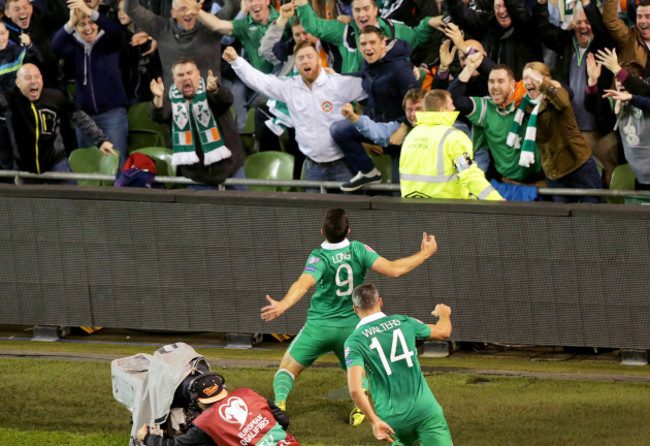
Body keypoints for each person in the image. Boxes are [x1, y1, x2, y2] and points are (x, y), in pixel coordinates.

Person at [260, 208, 439, 425]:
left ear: (322, 232)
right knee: (358, 372)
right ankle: (359, 409)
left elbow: (302, 284)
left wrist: (283, 305)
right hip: (353, 329)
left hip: (319, 327)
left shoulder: (319, 257)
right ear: (349, 231)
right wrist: (425, 253)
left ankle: (279, 405)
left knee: (287, 368)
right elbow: (394, 270)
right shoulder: (358, 250)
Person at [223, 42, 367, 192]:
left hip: (344, 164)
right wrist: (236, 61)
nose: (305, 61)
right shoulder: (289, 87)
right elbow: (261, 82)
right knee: (316, 214)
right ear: (296, 65)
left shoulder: (338, 83)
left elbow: (372, 85)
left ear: (318, 60)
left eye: (309, 56)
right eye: (301, 58)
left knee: (353, 212)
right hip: (313, 168)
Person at [345, 283, 453, 446]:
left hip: (393, 417)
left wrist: (374, 421)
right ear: (380, 302)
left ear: (355, 309)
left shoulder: (354, 341)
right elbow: (443, 332)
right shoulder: (403, 321)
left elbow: (355, 388)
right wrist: (444, 314)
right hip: (425, 409)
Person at [533, 0, 619, 187]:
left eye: (587, 22)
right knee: (580, 182)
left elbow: (600, 27)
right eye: (579, 22)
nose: (583, 26)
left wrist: (587, 4)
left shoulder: (602, 45)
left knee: (608, 181)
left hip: (601, 131)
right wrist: (540, 4)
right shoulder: (566, 41)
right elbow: (543, 30)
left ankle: (612, 216)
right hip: (572, 130)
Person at [330, 26, 418, 191]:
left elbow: (418, 104)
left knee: (400, 193)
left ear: (383, 43)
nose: (367, 48)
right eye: (363, 44)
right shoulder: (368, 62)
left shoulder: (401, 69)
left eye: (372, 43)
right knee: (338, 129)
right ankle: (369, 172)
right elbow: (365, 76)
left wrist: (403, 129)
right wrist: (337, 76)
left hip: (401, 133)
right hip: (377, 126)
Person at [0, 64, 116, 183]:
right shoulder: (10, 99)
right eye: (28, 78)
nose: (34, 82)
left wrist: (101, 140)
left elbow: (80, 117)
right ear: (18, 83)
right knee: (25, 201)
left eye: (37, 77)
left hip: (56, 163)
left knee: (72, 199)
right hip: (24, 168)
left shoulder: (54, 97)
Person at [51, 0, 130, 166]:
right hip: (85, 116)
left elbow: (115, 30)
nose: (88, 28)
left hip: (112, 114)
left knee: (116, 162)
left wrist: (88, 11)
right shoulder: (74, 45)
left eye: (91, 23)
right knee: (88, 165)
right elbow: (55, 48)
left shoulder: (109, 40)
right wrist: (71, 22)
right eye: (81, 25)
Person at [449, 53, 545, 186]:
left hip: (541, 180)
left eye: (500, 81)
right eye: (491, 81)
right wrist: (469, 69)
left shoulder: (527, 98)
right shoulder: (485, 107)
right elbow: (452, 100)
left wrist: (550, 85)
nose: (495, 86)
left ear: (512, 84)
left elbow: (567, 94)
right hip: (508, 182)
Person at [149, 58, 245, 188]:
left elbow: (226, 99)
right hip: (196, 176)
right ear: (174, 78)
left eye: (189, 73)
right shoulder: (170, 99)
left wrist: (216, 89)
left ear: (198, 74)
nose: (185, 78)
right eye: (180, 75)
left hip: (230, 170)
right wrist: (158, 98)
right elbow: (157, 116)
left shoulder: (210, 91)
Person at [136, 372, 301, 446]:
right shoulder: (248, 393)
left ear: (198, 399)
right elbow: (283, 420)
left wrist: (147, 438)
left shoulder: (204, 424)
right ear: (223, 387)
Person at [519, 61, 603, 202]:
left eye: (534, 77)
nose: (529, 82)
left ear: (546, 79)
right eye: (525, 78)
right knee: (562, 219)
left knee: (594, 213)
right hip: (553, 172)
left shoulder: (557, 92)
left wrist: (546, 85)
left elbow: (563, 102)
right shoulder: (526, 105)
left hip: (578, 165)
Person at [400, 89, 504, 199]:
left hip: (411, 209)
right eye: (451, 104)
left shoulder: (410, 136)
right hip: (446, 209)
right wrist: (496, 200)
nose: (454, 108)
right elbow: (468, 174)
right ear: (443, 110)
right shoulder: (454, 138)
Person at [295, 0, 440, 73]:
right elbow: (314, 27)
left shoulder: (393, 28)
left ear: (376, 10)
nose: (362, 15)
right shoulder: (344, 30)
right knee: (339, 129)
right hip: (357, 98)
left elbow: (417, 36)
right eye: (357, 10)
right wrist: (302, 3)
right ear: (351, 12)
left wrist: (429, 22)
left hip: (393, 96)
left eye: (366, 9)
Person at [123, 0, 224, 95]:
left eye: (191, 7)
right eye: (183, 9)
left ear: (199, 7)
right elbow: (131, 9)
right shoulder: (161, 28)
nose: (188, 13)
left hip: (212, 100)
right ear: (173, 13)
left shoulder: (212, 27)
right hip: (175, 105)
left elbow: (234, 6)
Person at [446, 0, 543, 79]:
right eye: (498, 6)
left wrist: (464, 48)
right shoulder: (489, 23)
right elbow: (463, 15)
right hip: (493, 91)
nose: (502, 11)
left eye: (506, 6)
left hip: (523, 92)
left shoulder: (528, 27)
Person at [602, 0, 650, 72]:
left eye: (647, 16)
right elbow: (611, 21)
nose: (642, 21)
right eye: (639, 16)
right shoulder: (629, 38)